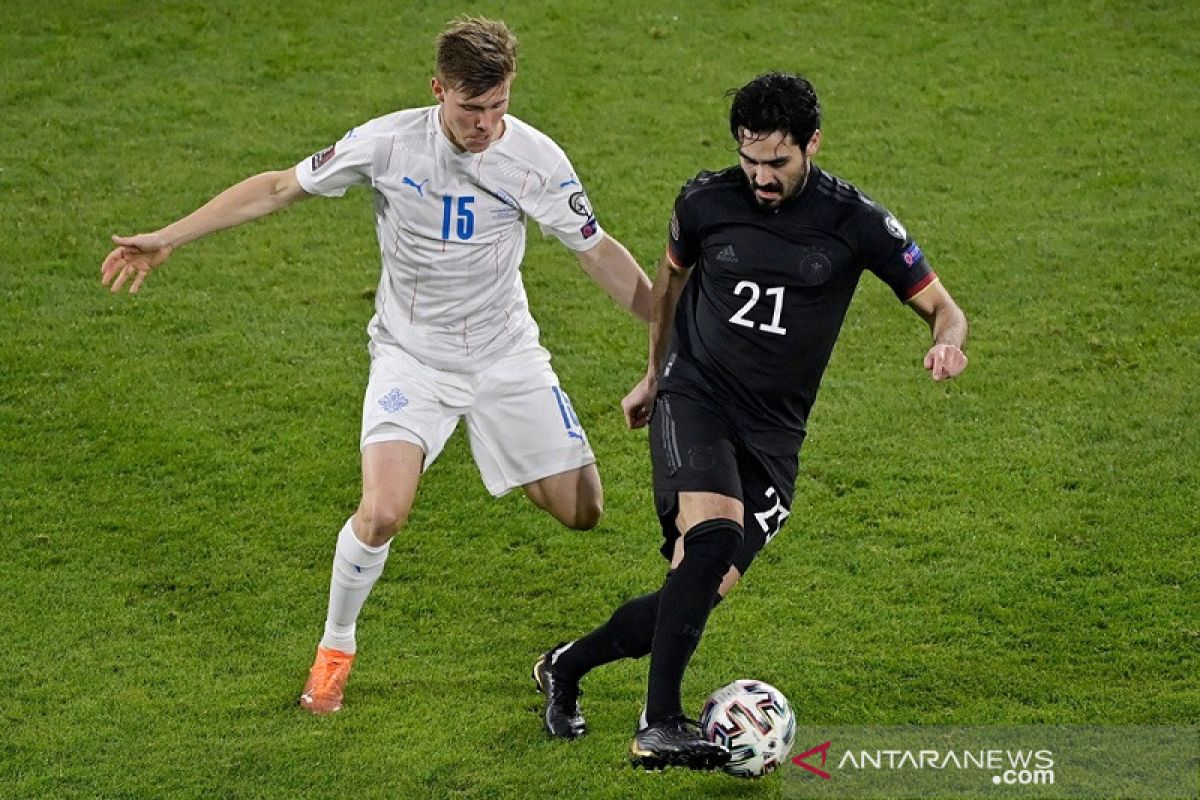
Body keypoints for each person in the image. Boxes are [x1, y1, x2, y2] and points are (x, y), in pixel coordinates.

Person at [101, 16, 652, 716]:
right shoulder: (388, 143)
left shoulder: (537, 159)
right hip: (411, 359)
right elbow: (277, 188)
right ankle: (335, 649)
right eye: (469, 108)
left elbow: (596, 251)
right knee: (383, 511)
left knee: (583, 512)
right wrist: (168, 238)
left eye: (498, 107)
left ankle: (502, 444)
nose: (484, 124)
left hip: (505, 355)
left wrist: (669, 321)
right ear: (438, 90)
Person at [533, 71, 968, 770]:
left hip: (774, 436)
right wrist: (654, 374)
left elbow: (944, 305)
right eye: (750, 159)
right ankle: (659, 723)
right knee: (711, 539)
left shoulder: (857, 222)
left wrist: (946, 340)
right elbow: (669, 285)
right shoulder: (705, 202)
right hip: (695, 396)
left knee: (696, 588)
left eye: (778, 162)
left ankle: (567, 665)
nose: (761, 177)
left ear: (812, 144)